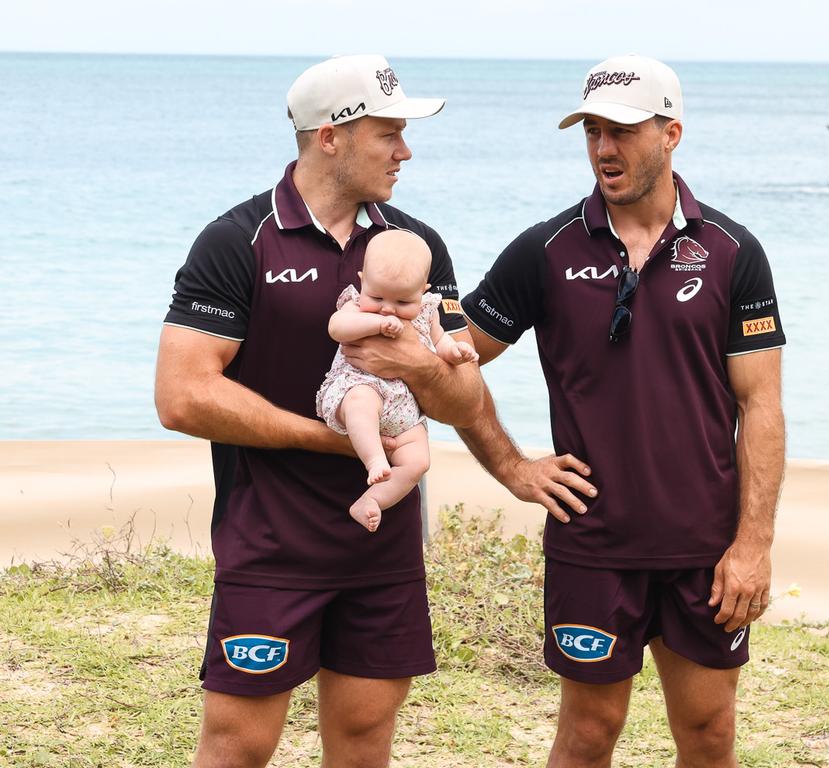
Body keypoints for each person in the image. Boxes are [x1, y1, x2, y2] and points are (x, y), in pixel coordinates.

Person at [457, 54, 786, 768]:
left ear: (671, 134)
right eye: (593, 132)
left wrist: (753, 544)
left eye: (624, 131)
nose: (605, 149)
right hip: (592, 546)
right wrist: (509, 463)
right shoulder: (544, 251)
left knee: (708, 734)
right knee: (587, 734)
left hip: (705, 549)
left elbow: (760, 402)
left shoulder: (732, 253)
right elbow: (453, 364)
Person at [154, 55, 482, 768]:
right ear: (329, 136)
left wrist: (421, 366)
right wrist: (332, 439)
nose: (406, 150)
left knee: (365, 742)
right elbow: (181, 396)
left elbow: (463, 398)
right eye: (388, 132)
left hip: (383, 547)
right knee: (238, 746)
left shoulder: (412, 250)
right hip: (270, 543)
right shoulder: (236, 241)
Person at [316, 229, 479, 532]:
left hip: (403, 409)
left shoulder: (427, 312)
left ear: (423, 291)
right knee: (361, 403)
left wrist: (455, 352)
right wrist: (377, 322)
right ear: (363, 281)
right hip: (357, 384)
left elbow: (440, 341)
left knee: (417, 462)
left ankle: (371, 500)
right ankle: (374, 459)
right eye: (377, 297)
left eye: (403, 301)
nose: (388, 307)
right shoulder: (355, 304)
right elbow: (338, 328)